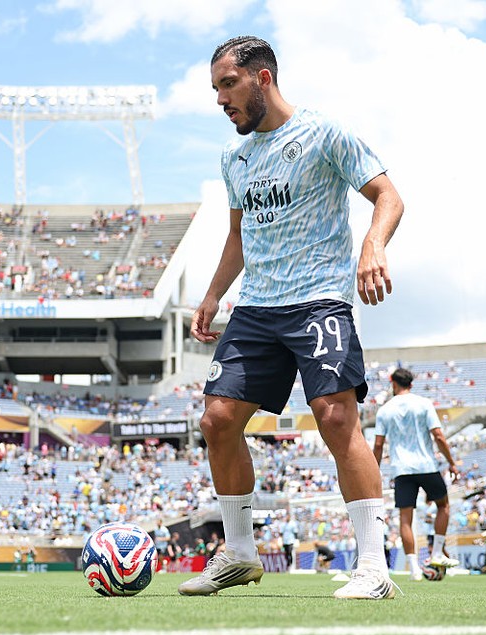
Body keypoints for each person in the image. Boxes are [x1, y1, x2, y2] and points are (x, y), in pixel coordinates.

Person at [181, 35, 404, 600]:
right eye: (215, 89)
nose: (219, 100)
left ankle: (374, 570)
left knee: (335, 418)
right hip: (257, 306)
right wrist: (212, 296)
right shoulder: (234, 158)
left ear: (263, 78)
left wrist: (373, 246)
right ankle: (238, 553)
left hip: (320, 298)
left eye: (227, 84)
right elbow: (237, 235)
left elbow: (389, 197)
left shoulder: (324, 133)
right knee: (218, 421)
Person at [373, 367, 460, 581]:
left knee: (405, 519)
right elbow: (438, 436)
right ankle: (437, 551)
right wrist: (451, 463)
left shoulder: (384, 410)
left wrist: (374, 470)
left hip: (401, 470)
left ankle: (413, 569)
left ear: (393, 383)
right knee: (443, 505)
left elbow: (378, 444)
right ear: (411, 384)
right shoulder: (424, 404)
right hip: (426, 465)